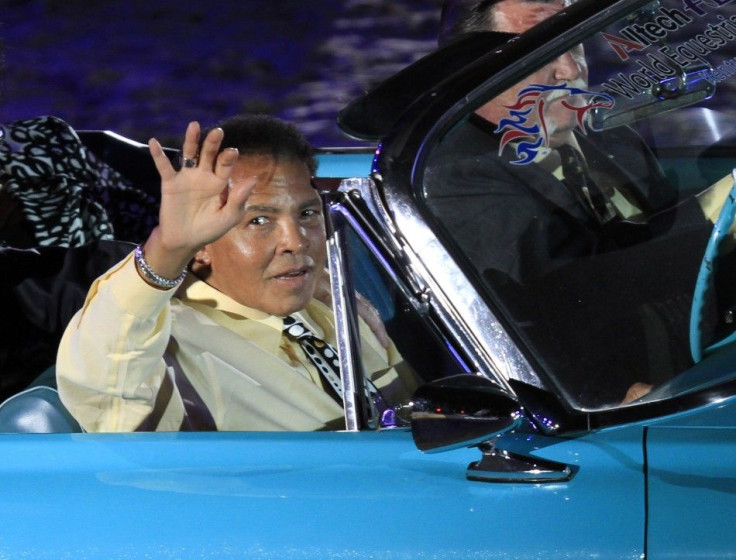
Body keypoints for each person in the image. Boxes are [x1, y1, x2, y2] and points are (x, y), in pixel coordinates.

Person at [423, 0, 736, 405]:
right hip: (610, 411)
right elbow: (571, 291)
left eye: (575, 45)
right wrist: (718, 209)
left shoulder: (611, 139)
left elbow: (673, 257)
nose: (570, 70)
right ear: (472, 68)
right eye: (541, 53)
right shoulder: (453, 174)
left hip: (698, 368)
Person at [56, 114, 416, 432]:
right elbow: (105, 379)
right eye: (258, 220)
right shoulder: (171, 350)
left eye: (307, 214)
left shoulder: (338, 307)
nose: (296, 241)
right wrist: (169, 248)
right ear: (201, 243)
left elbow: (422, 415)